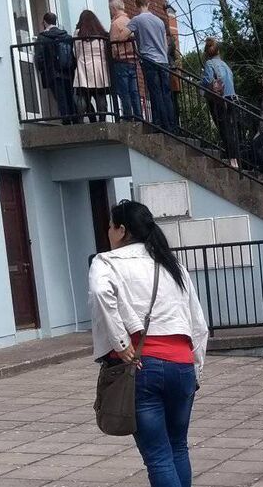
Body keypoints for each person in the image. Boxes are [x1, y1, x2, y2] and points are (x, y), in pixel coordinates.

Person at [89, 200, 209, 487]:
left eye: (109, 226)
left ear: (121, 230)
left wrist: (121, 340)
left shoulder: (106, 262)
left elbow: (99, 292)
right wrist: (197, 368)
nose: (107, 232)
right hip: (182, 366)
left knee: (158, 456)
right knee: (178, 447)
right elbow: (198, 324)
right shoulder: (172, 265)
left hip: (142, 366)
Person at [128, 0, 176, 131]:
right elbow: (165, 42)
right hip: (163, 60)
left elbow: (123, 35)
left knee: (155, 93)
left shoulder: (137, 20)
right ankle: (171, 125)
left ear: (136, 4)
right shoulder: (159, 21)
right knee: (166, 93)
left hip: (149, 60)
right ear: (148, 4)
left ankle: (160, 123)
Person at [200, 38, 239, 168]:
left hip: (219, 100)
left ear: (207, 52)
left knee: (224, 129)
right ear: (218, 51)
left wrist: (201, 87)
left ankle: (231, 159)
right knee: (231, 129)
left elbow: (207, 80)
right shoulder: (225, 65)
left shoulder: (210, 64)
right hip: (232, 99)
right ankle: (234, 159)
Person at [34, 12, 77, 124]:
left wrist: (41, 69)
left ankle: (66, 121)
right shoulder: (66, 36)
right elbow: (72, 54)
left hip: (53, 72)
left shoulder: (43, 37)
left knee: (61, 98)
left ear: (44, 22)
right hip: (68, 71)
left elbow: (40, 57)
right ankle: (76, 119)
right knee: (69, 96)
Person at [108, 0, 144, 121]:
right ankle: (139, 116)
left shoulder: (115, 24)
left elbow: (113, 45)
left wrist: (112, 57)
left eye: (111, 9)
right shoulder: (130, 21)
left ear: (114, 9)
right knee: (134, 90)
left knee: (124, 92)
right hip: (132, 60)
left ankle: (128, 117)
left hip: (121, 60)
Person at [73, 10, 111, 122]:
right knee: (100, 95)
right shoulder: (102, 34)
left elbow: (76, 52)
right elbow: (106, 51)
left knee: (82, 95)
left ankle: (81, 119)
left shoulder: (79, 33)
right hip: (100, 67)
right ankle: (102, 120)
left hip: (84, 66)